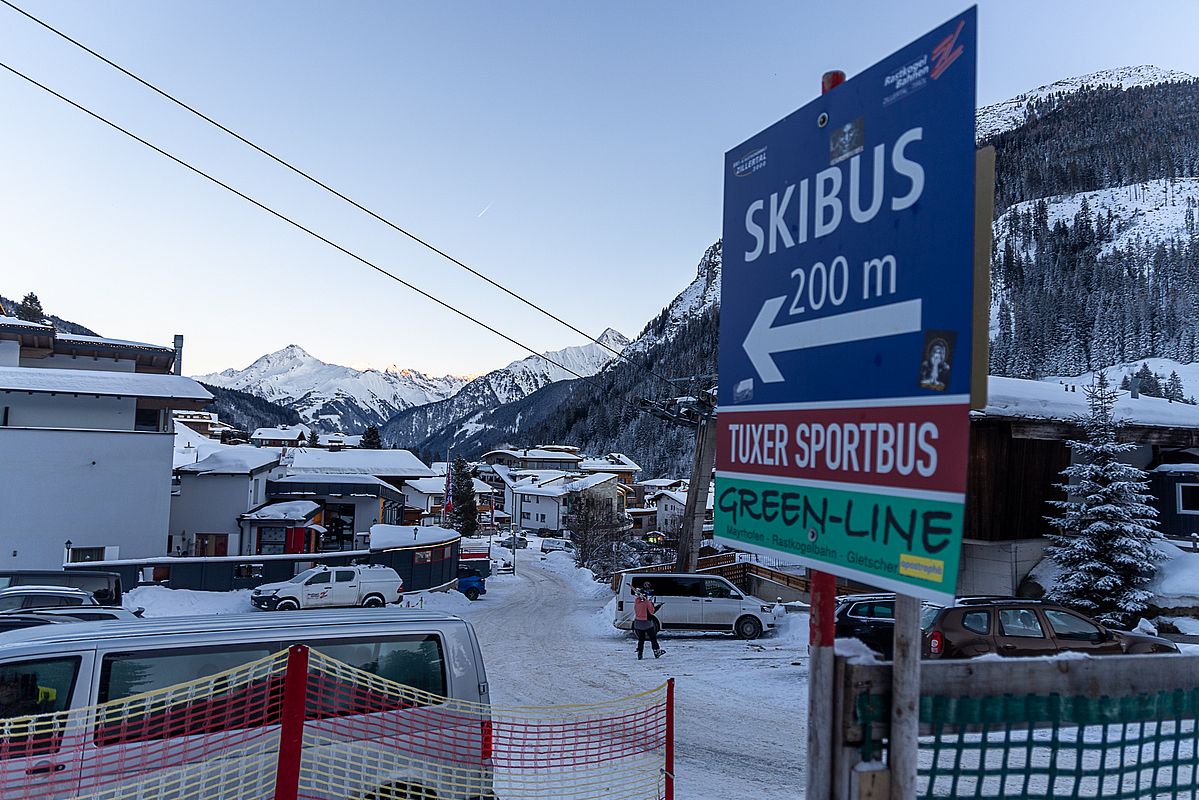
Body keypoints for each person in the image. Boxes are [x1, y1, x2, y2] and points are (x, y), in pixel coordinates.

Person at [632, 586, 664, 660]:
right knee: (653, 638)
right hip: (646, 623)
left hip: (638, 623)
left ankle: (640, 654)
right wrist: (658, 606)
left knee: (641, 639)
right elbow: (652, 611)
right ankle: (657, 652)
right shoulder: (647, 602)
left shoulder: (637, 602)